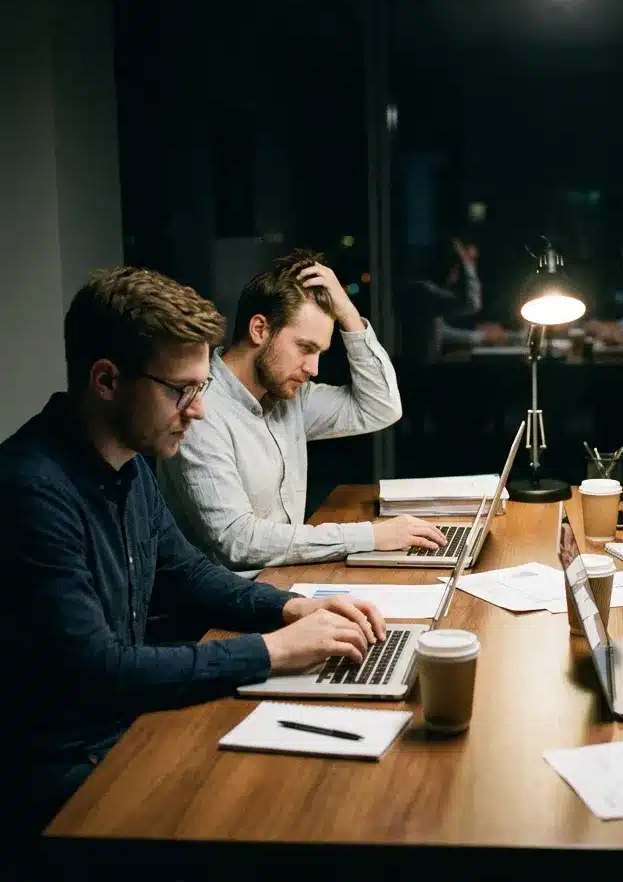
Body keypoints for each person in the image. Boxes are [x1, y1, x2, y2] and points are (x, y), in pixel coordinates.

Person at [0, 268, 388, 836]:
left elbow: (188, 574)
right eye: (181, 390)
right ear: (106, 380)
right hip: (61, 776)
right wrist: (272, 651)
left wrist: (292, 608)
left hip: (122, 730)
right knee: (293, 813)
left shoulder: (127, 464)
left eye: (202, 388)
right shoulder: (31, 491)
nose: (199, 410)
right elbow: (101, 671)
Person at [158, 251, 447, 575]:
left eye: (320, 352)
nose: (314, 369)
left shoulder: (289, 397)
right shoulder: (200, 412)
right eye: (305, 348)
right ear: (259, 329)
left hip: (286, 578)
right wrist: (370, 536)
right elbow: (238, 541)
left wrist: (348, 313)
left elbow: (381, 407)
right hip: (229, 601)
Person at [404, 234, 509, 357]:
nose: (468, 271)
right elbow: (472, 304)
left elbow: (442, 331)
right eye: (466, 264)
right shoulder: (423, 290)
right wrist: (466, 262)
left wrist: (479, 332)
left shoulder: (426, 291)